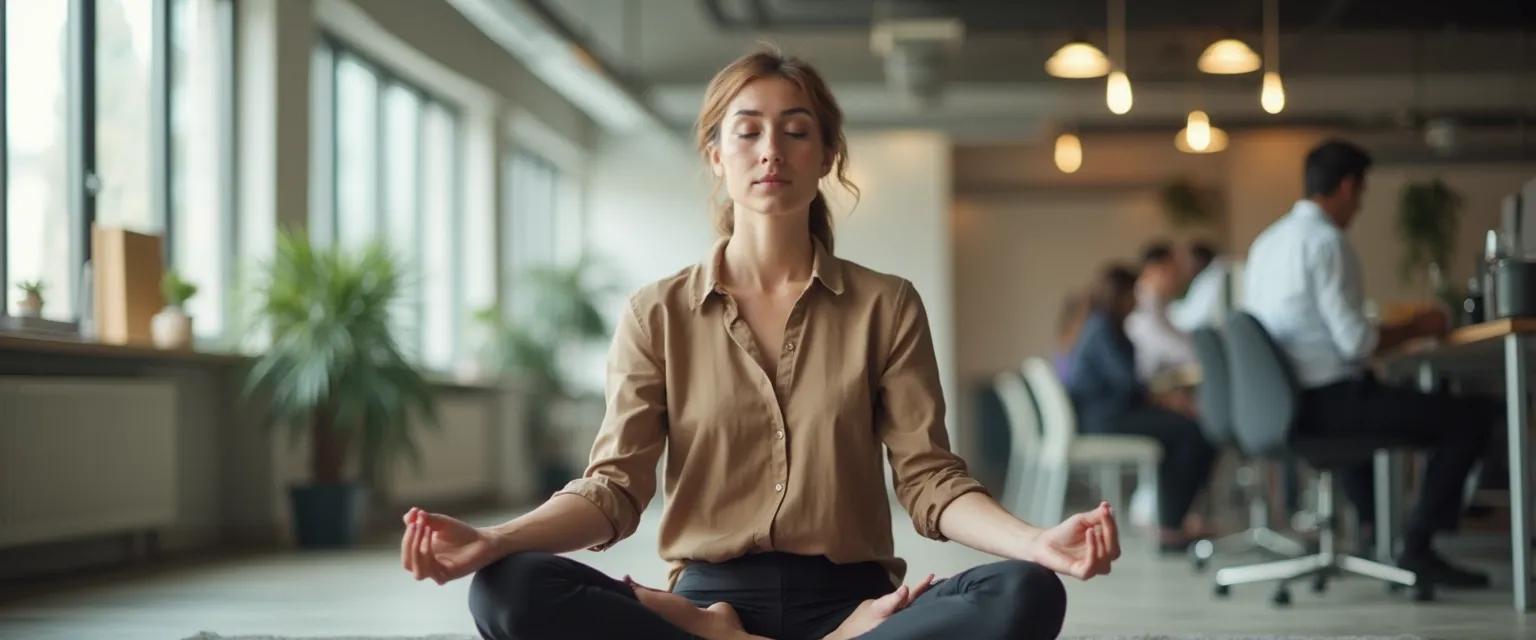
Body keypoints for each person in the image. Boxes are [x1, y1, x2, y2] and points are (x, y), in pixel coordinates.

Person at [397, 48, 1119, 640]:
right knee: (509, 587)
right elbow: (614, 489)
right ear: (715, 154)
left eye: (796, 130)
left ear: (827, 154)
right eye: (747, 131)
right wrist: (498, 540)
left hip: (855, 603)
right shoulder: (657, 312)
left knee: (1024, 592)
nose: (771, 149)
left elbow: (930, 480)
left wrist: (1035, 541)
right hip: (705, 605)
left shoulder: (887, 304)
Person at [1241, 139, 1493, 588]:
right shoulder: (1326, 242)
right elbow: (1357, 344)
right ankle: (1418, 547)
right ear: (1347, 187)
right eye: (1360, 194)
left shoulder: (1266, 243)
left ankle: (1375, 531)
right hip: (1326, 403)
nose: (1358, 207)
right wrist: (1418, 326)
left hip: (1283, 404)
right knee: (1469, 418)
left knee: (1379, 398)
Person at [1066, 264, 1216, 552]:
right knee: (1190, 433)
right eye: (1134, 293)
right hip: (1106, 419)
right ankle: (1171, 526)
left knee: (1185, 429)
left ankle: (1172, 521)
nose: (1138, 300)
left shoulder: (1100, 326)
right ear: (1121, 295)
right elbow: (1127, 384)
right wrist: (1165, 399)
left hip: (1105, 415)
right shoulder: (1103, 329)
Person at [1125, 242, 1198, 385]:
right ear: (1156, 270)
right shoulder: (1141, 309)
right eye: (1175, 271)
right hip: (1149, 389)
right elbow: (1181, 351)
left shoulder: (1159, 304)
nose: (1180, 278)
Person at [1168, 241, 1231, 333]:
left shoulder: (1210, 280)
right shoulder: (1203, 279)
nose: (1183, 266)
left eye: (1186, 261)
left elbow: (1194, 318)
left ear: (1199, 260)